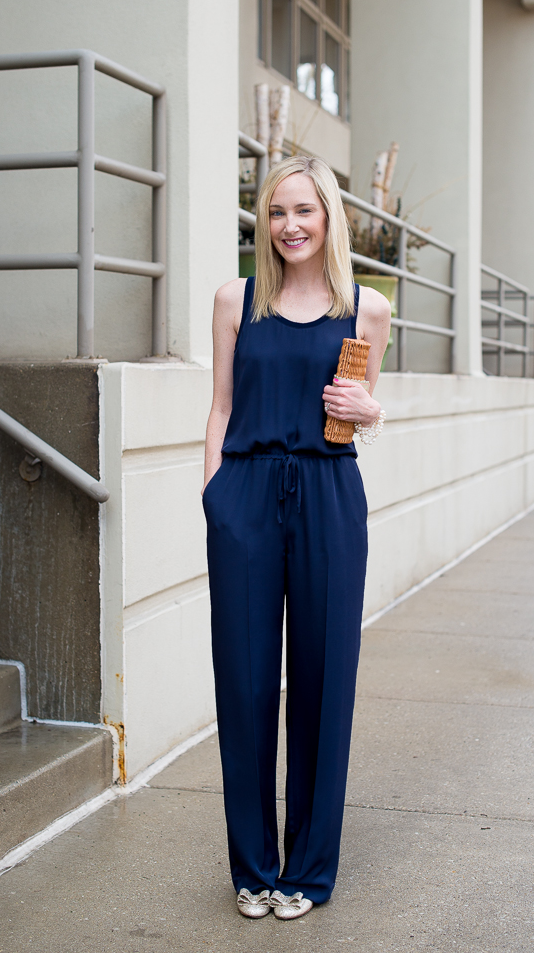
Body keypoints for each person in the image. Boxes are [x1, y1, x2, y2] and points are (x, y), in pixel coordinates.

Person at [202, 155, 391, 921]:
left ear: (330, 218)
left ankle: (308, 872)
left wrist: (373, 411)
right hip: (245, 493)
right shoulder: (235, 300)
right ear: (262, 220)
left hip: (328, 491)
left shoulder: (367, 310)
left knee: (322, 680)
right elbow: (219, 404)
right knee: (245, 683)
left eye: (304, 211)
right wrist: (215, 494)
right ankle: (252, 867)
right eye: (277, 212)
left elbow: (367, 407)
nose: (290, 226)